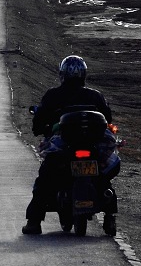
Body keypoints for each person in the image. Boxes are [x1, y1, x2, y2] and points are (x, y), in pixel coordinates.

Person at [22, 55, 114, 235]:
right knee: (104, 176)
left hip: (64, 149)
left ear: (62, 74)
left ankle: (34, 222)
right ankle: (110, 215)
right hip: (93, 147)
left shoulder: (52, 95)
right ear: (83, 75)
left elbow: (38, 124)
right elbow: (108, 120)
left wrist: (42, 127)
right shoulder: (95, 96)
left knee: (45, 179)